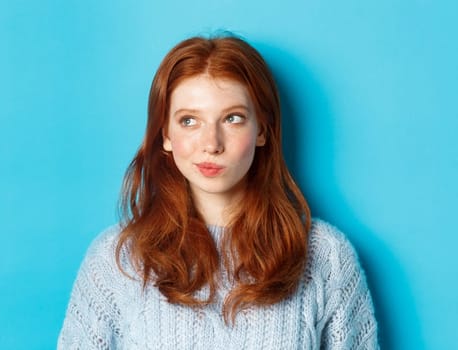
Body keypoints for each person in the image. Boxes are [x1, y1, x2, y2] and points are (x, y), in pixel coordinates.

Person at [57, 34, 379, 349]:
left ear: (262, 130)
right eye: (189, 121)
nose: (211, 144)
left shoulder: (325, 257)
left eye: (232, 118)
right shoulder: (117, 261)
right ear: (165, 134)